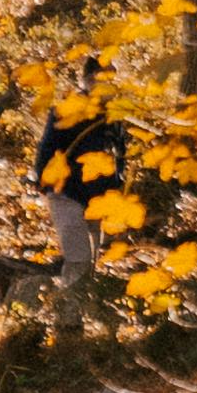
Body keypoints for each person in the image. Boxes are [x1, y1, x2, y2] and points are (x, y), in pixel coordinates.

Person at [32, 63, 130, 289]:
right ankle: (69, 319)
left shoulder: (115, 115)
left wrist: (118, 189)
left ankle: (83, 311)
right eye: (100, 79)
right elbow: (48, 148)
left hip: (98, 197)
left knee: (92, 260)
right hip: (67, 192)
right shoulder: (68, 109)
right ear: (86, 80)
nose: (106, 85)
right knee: (78, 258)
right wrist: (46, 182)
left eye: (110, 79)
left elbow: (120, 155)